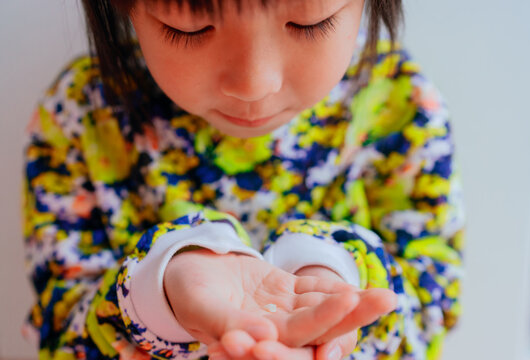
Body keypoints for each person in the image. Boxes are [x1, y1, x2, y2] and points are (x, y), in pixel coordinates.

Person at [22, 0, 466, 359]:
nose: (255, 83)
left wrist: (333, 275)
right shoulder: (82, 117)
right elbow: (63, 329)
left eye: (309, 22)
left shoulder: (399, 108)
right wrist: (163, 289)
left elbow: (430, 309)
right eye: (189, 28)